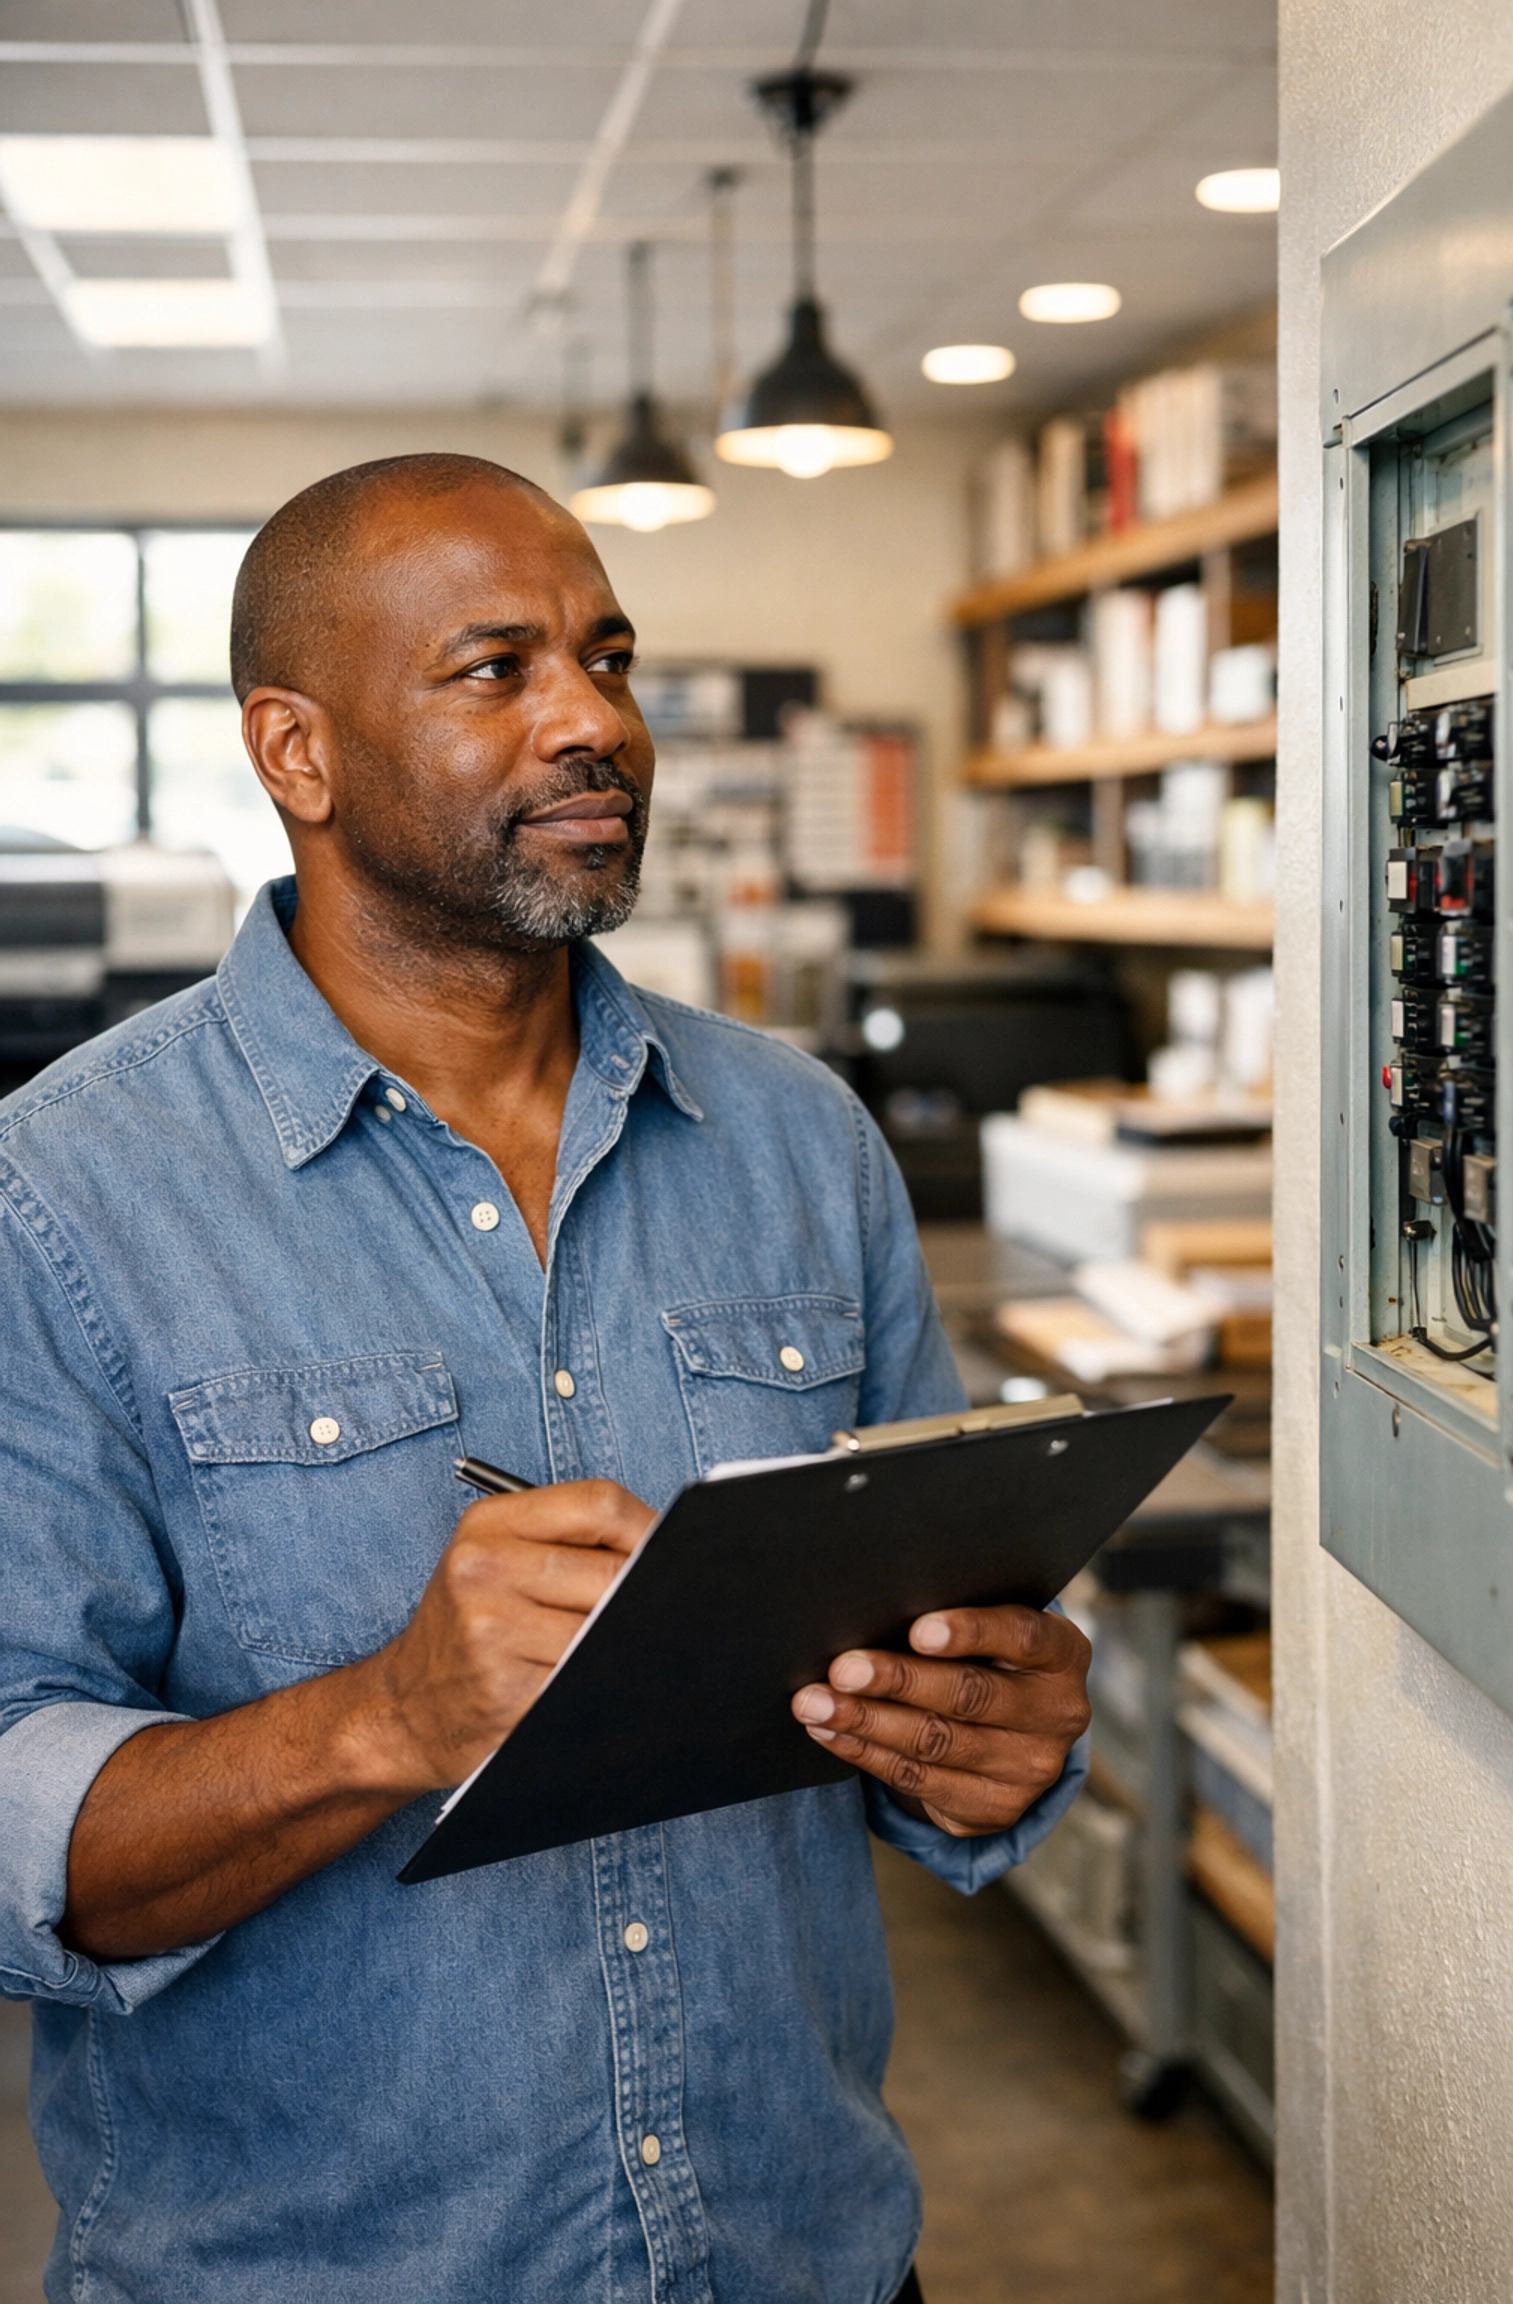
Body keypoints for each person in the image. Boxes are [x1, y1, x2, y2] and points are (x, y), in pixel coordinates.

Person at [0, 454, 1090, 2304]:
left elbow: (944, 1637)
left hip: (805, 2257)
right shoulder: (66, 1194)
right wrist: (390, 1718)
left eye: (608, 656)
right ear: (299, 753)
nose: (594, 723)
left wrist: (983, 1741)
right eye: (494, 670)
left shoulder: (796, 1140)